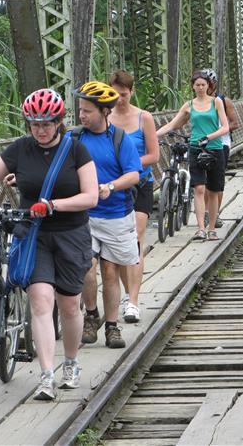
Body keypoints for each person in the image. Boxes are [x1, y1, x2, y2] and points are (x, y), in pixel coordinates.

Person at [0, 89, 98, 400]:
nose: (40, 130)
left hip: (71, 233)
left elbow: (90, 196)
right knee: (41, 300)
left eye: (46, 123)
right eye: (34, 124)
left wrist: (53, 204)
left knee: (69, 305)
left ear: (59, 122)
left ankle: (70, 362)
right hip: (34, 234)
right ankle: (46, 376)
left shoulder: (76, 151)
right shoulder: (20, 149)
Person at [75, 81, 142, 349]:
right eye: (80, 110)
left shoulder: (119, 138)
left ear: (104, 112)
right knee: (87, 269)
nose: (82, 115)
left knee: (111, 271)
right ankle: (91, 315)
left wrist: (111, 186)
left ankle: (112, 326)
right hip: (85, 217)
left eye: (87, 111)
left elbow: (134, 174)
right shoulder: (74, 138)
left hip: (116, 214)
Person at [108, 70, 160, 324]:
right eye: (115, 94)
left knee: (135, 237)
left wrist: (130, 165)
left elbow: (154, 155)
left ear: (132, 92)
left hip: (140, 183)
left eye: (124, 94)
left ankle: (134, 302)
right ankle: (129, 294)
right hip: (113, 188)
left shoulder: (144, 118)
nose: (119, 99)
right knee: (118, 247)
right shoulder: (104, 118)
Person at [156, 71, 229, 241]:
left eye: (204, 85)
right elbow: (173, 124)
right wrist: (153, 135)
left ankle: (211, 228)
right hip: (196, 148)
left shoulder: (216, 102)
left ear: (208, 86)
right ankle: (200, 228)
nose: (201, 88)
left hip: (214, 149)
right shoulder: (189, 105)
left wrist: (209, 137)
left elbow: (225, 127)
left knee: (213, 190)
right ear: (193, 87)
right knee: (199, 188)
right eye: (197, 85)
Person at [201, 68, 239, 230]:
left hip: (221, 144)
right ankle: (208, 213)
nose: (204, 87)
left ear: (214, 84)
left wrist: (220, 130)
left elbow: (234, 123)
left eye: (208, 83)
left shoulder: (224, 101)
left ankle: (215, 214)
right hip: (203, 144)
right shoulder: (197, 102)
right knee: (203, 182)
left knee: (217, 181)